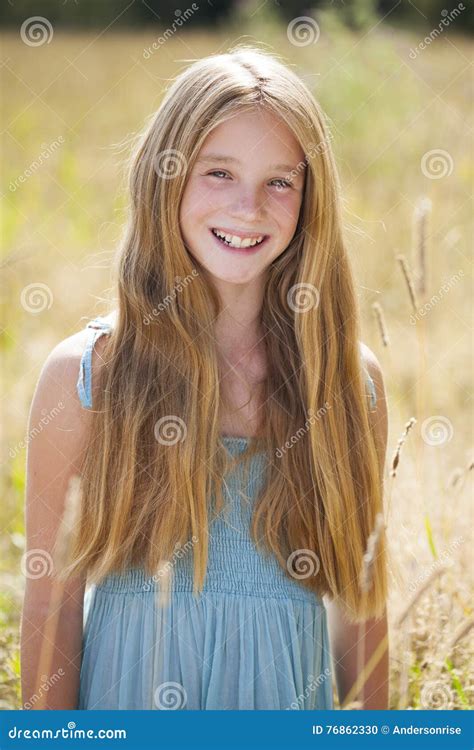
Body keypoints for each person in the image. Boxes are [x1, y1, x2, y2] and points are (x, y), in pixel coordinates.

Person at [21, 45, 390, 710]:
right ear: (166, 177)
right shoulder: (87, 377)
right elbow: (51, 606)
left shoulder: (345, 382)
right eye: (219, 172)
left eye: (281, 181)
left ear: (310, 201)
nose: (248, 207)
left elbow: (361, 609)